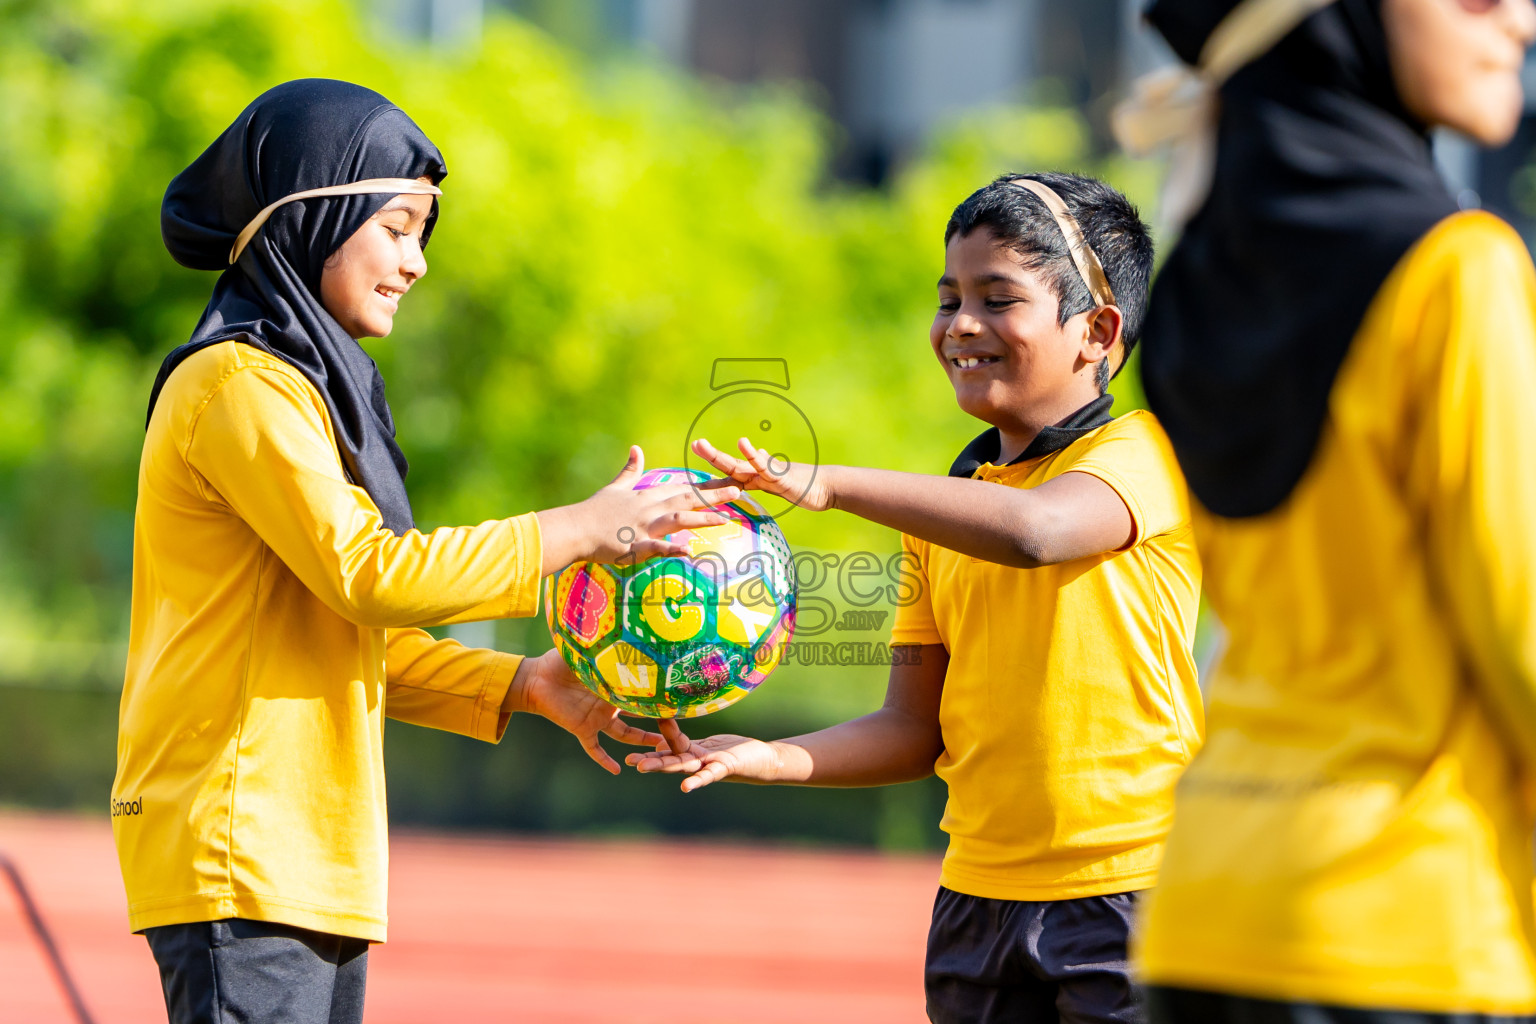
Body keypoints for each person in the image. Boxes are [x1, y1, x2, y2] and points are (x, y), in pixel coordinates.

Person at [111, 79, 728, 1024]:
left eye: (422, 238)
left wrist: (526, 686)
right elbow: (374, 577)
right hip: (241, 850)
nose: (415, 263)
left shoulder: (309, 392)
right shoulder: (238, 384)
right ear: (316, 216)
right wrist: (580, 529)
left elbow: (360, 638)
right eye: (397, 227)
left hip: (304, 858)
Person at [631, 172, 1202, 1024]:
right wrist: (769, 757)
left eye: (997, 298)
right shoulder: (952, 502)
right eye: (949, 299)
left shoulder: (1142, 454)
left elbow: (1037, 530)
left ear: (1098, 330)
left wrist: (830, 485)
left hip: (1134, 895)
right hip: (977, 903)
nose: (961, 326)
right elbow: (912, 728)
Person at [1122, 0, 1536, 1019]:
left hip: (1204, 908)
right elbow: (1521, 624)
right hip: (1408, 916)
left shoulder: (1189, 284)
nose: (1520, 20)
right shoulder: (1455, 268)